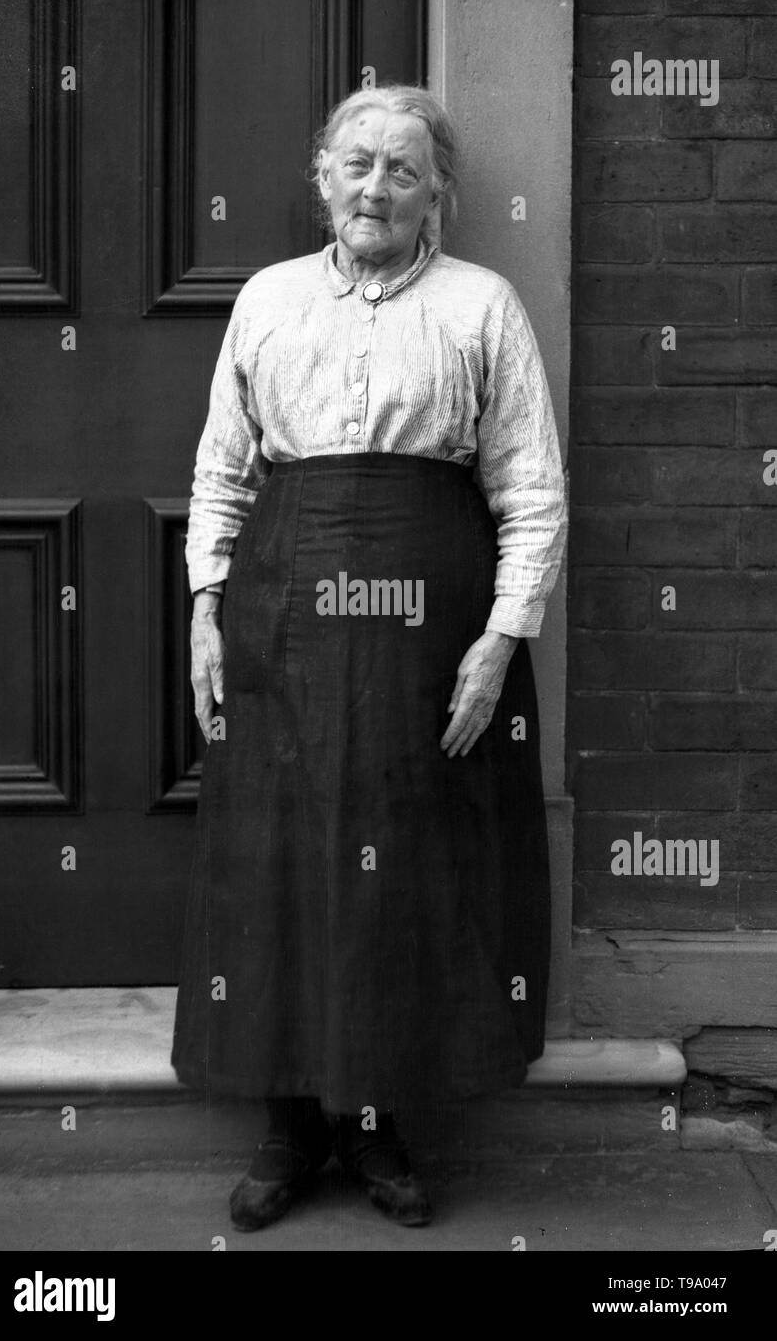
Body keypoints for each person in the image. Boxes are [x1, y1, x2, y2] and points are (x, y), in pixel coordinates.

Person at [171, 84, 568, 1232]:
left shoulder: (481, 307)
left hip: (429, 622)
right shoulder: (268, 299)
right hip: (280, 611)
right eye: (356, 164)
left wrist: (498, 642)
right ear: (322, 178)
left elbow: (530, 490)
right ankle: (291, 1124)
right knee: (284, 856)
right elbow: (221, 472)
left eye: (402, 168)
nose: (376, 187)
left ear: (437, 189)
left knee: (406, 855)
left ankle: (379, 1121)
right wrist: (205, 607)